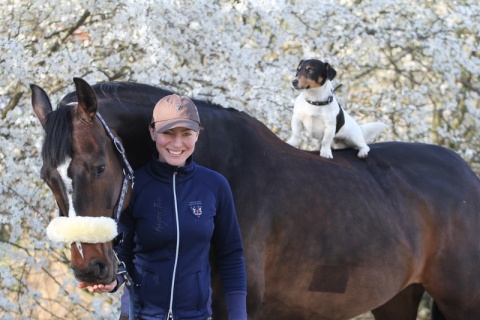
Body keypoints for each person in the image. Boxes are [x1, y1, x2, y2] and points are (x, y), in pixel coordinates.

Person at [79, 94, 247, 320]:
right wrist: (114, 279)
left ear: (197, 134)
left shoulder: (215, 186)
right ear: (152, 132)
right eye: (168, 133)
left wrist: (238, 315)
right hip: (140, 315)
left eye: (186, 134)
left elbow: (231, 255)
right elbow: (123, 251)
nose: (177, 144)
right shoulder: (133, 185)